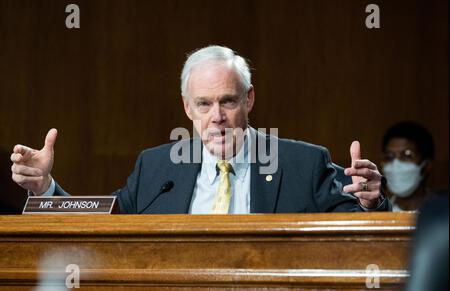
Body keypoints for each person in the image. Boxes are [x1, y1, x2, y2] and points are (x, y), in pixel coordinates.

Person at [10, 45, 391, 214]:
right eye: (204, 104)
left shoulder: (303, 163)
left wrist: (371, 199)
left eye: (227, 101)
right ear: (187, 107)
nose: (217, 117)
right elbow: (100, 225)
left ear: (249, 100)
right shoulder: (156, 168)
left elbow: (362, 224)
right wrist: (45, 190)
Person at [381, 122, 435, 211]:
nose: (396, 164)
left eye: (407, 155)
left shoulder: (442, 214)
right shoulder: (379, 214)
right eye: (389, 157)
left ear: (426, 166)